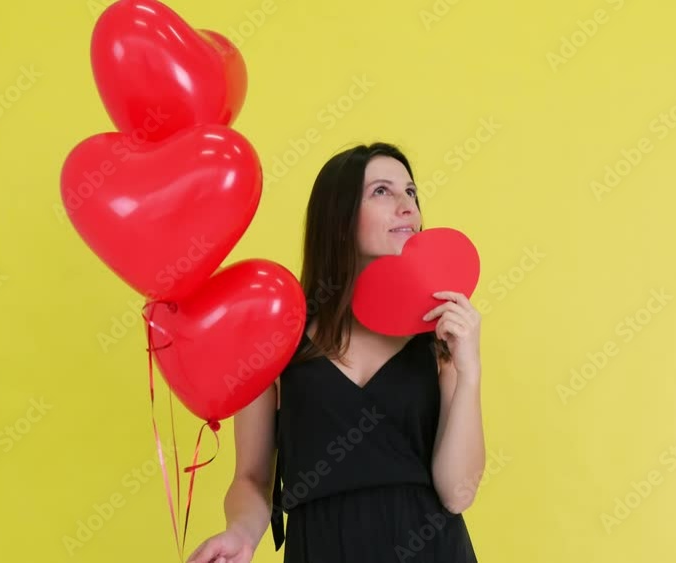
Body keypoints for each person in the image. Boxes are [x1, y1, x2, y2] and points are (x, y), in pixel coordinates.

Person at [186, 142, 486, 563]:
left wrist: (469, 370)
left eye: (412, 192)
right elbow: (252, 478)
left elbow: (458, 493)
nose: (407, 207)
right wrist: (240, 534)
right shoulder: (275, 337)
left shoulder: (439, 341)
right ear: (340, 218)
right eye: (382, 191)